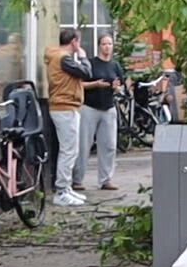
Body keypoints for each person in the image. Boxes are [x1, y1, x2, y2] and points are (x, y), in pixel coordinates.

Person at [43, 29, 110, 207]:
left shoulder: (58, 57)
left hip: (66, 105)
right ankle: (62, 190)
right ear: (74, 42)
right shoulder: (63, 59)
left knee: (70, 150)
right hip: (64, 106)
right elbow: (87, 72)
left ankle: (66, 188)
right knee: (69, 151)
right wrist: (83, 56)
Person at [81, 33, 127, 190]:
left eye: (110, 44)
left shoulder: (115, 66)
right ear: (99, 46)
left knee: (109, 145)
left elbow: (121, 86)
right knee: (84, 144)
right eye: (104, 44)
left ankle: (106, 179)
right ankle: (77, 179)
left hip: (108, 107)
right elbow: (80, 84)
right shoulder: (91, 63)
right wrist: (95, 84)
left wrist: (116, 88)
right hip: (89, 107)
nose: (107, 47)